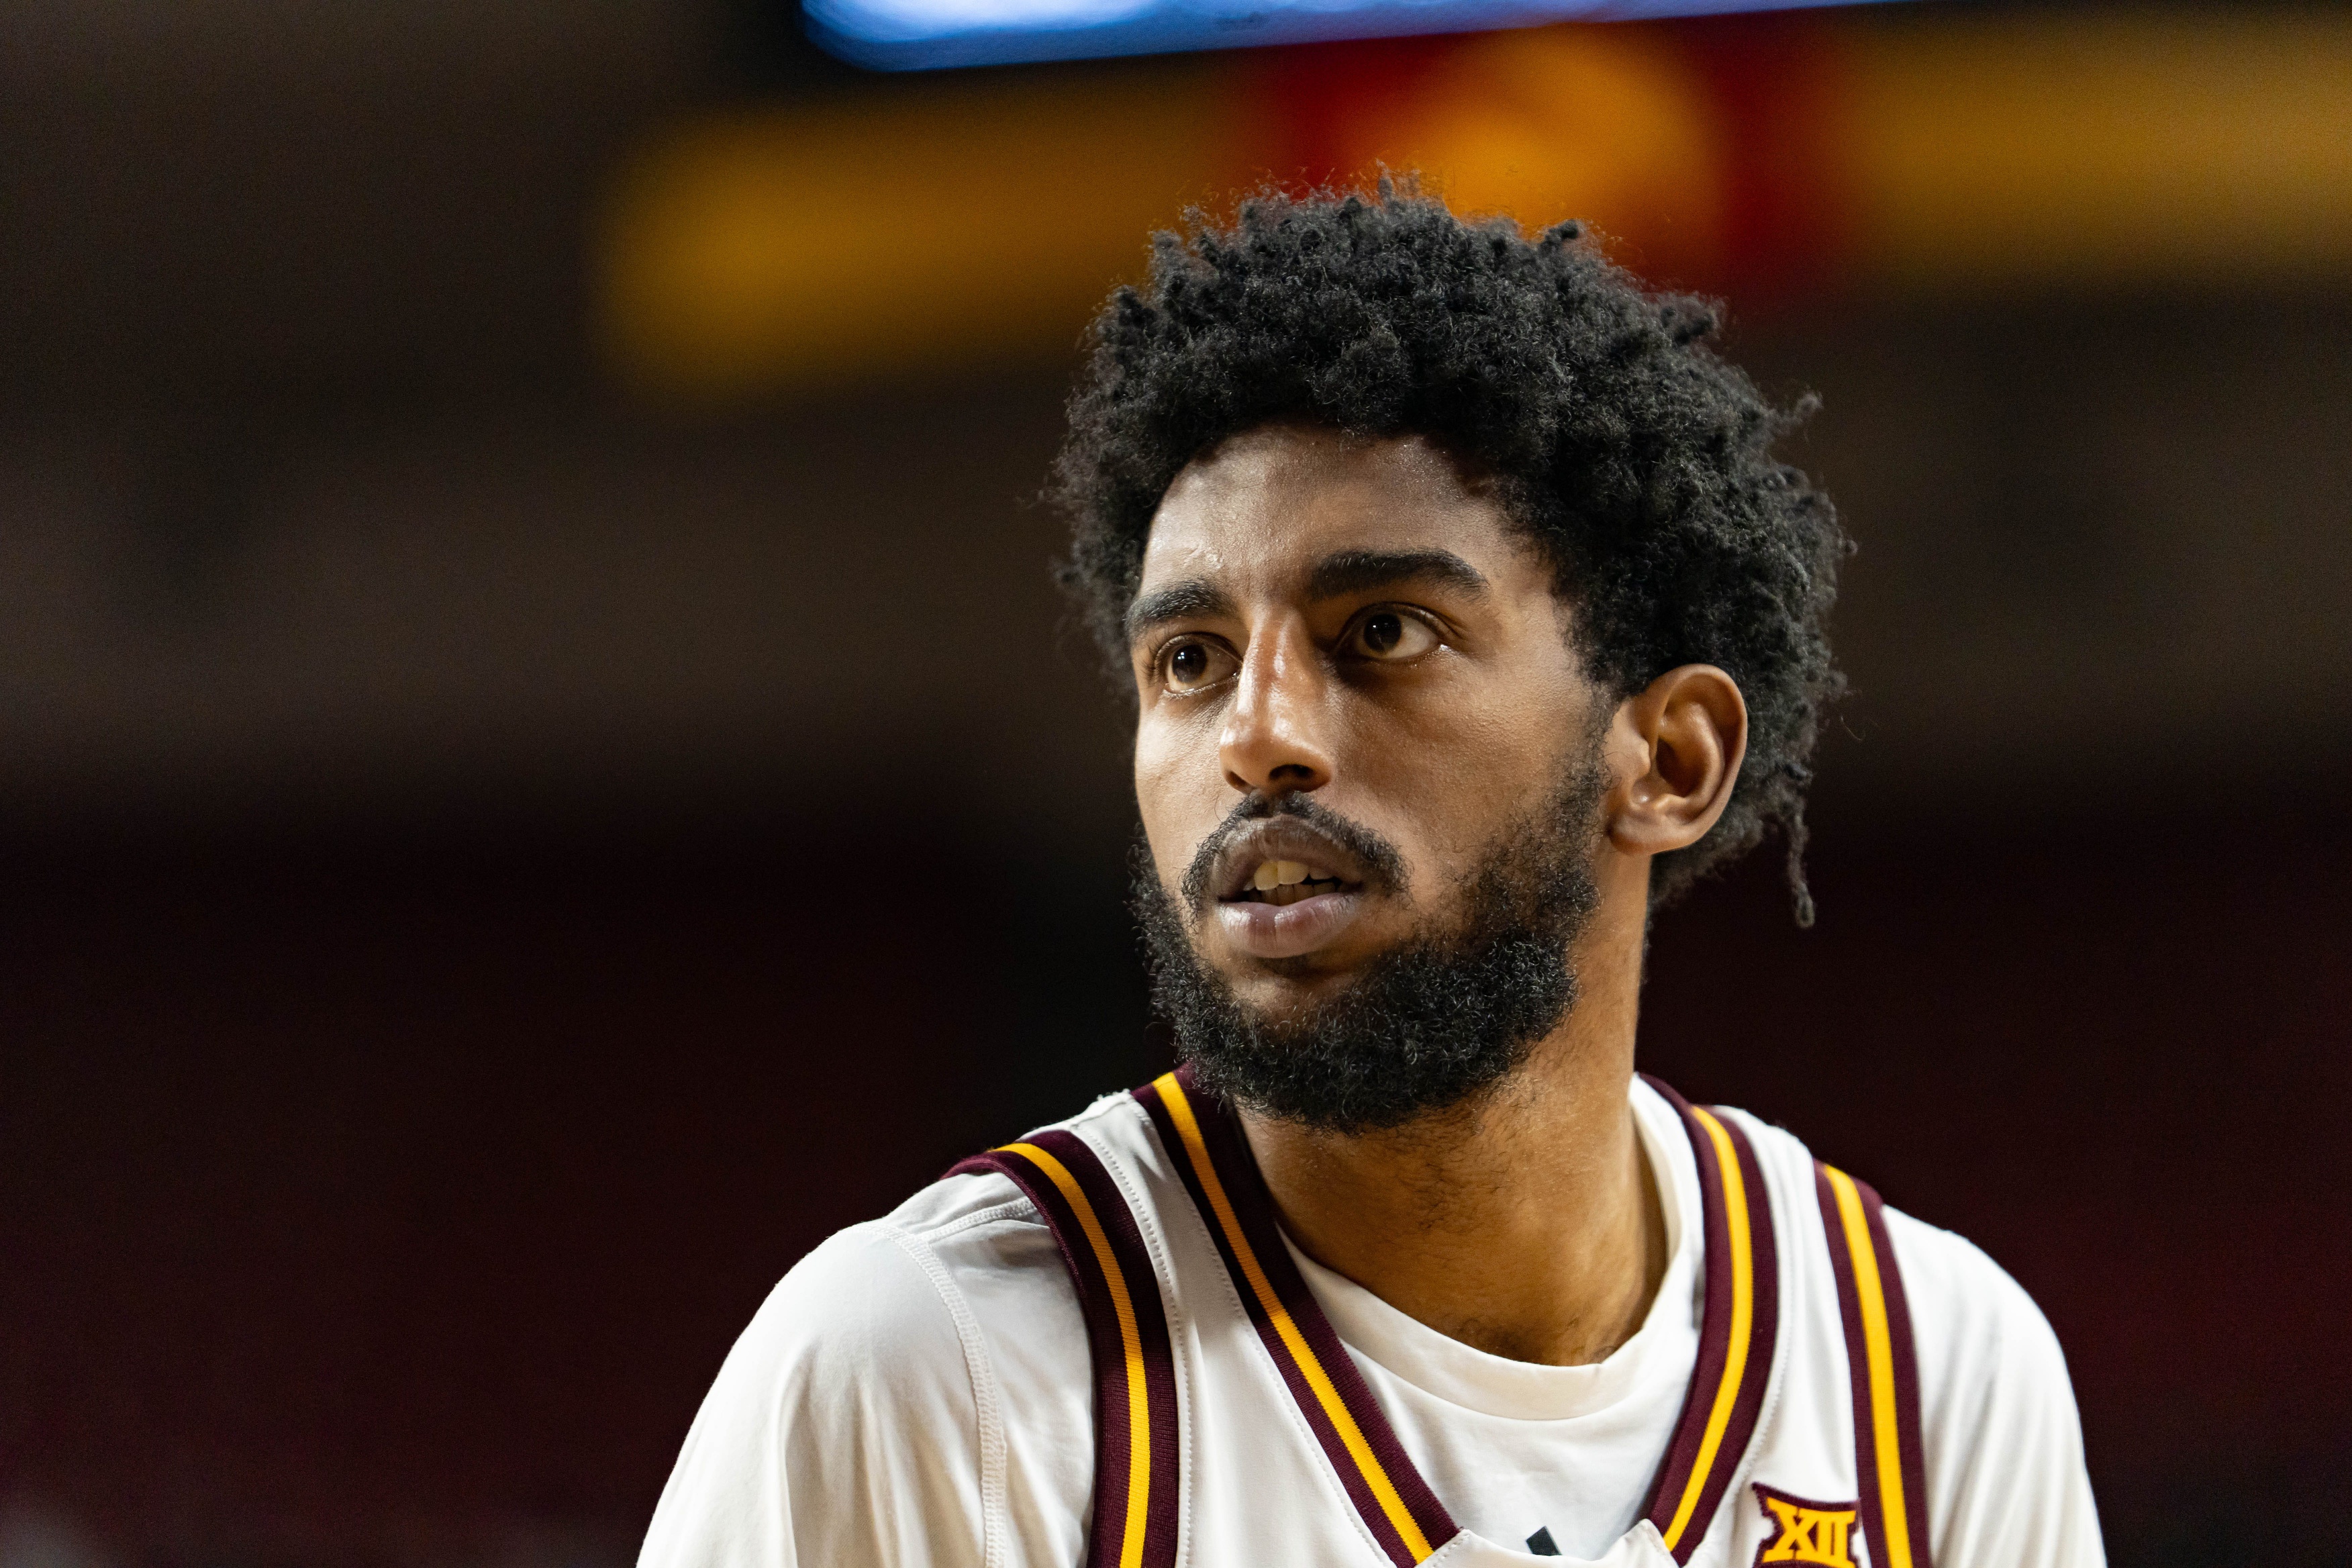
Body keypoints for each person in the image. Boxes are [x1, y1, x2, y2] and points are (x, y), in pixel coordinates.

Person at [636, 182, 2102, 1568]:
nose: (1257, 734)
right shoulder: (933, 1369)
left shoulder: (1934, 1377)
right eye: (1190, 661)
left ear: (1668, 760)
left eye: (1383, 632)